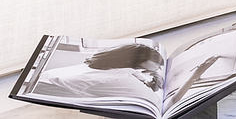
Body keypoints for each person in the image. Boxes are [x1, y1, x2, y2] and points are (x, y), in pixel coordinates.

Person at [32, 43, 164, 103]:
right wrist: (152, 87)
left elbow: (133, 75)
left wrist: (147, 82)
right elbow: (154, 102)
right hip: (45, 91)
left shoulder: (106, 65)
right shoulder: (120, 78)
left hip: (45, 78)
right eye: (143, 69)